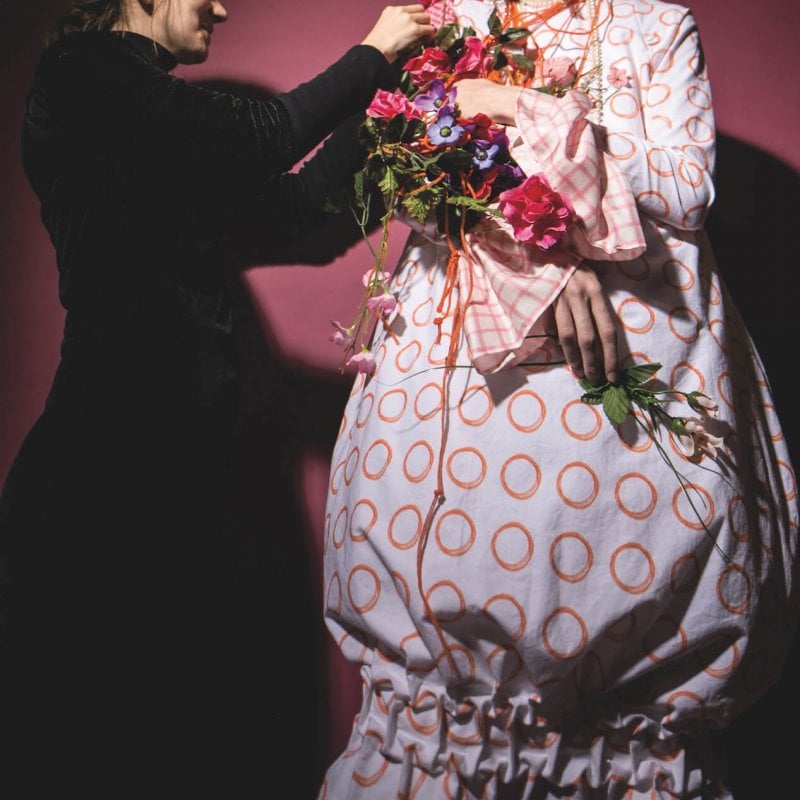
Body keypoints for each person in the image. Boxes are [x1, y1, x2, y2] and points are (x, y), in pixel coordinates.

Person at [317, 0, 799, 798]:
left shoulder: (655, 22)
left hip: (644, 361)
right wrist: (535, 252)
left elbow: (685, 189)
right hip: (466, 345)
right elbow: (401, 183)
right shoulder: (444, 14)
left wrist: (522, 110)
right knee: (440, 575)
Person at [0, 0, 434, 796]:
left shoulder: (155, 150)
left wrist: (397, 105)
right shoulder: (84, 74)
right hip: (99, 480)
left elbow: (299, 209)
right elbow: (258, 138)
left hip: (166, 479)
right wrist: (374, 52)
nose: (223, 8)